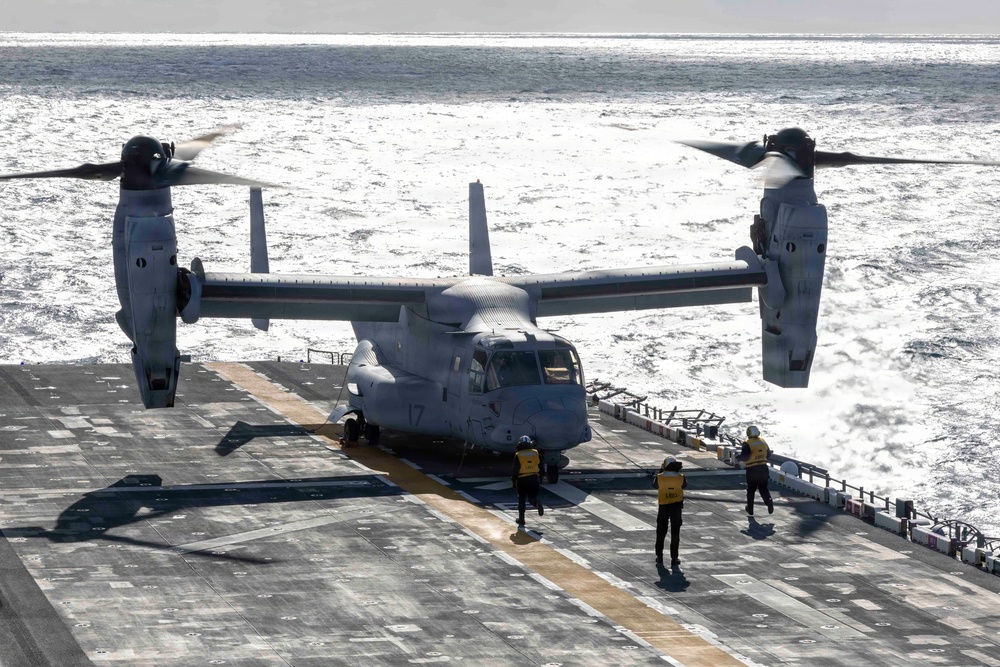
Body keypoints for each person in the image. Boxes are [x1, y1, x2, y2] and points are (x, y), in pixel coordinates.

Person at [653, 456, 687, 566]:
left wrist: (661, 470)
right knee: (675, 533)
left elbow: (655, 485)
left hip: (663, 506)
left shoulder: (660, 477)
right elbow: (684, 485)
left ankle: (659, 556)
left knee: (661, 532)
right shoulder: (681, 477)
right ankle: (674, 558)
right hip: (676, 507)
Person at [739, 425, 773, 515]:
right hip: (764, 468)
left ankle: (750, 509)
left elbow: (745, 457)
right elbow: (768, 454)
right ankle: (769, 501)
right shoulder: (763, 442)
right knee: (763, 488)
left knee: (751, 490)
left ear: (748, 433)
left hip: (752, 469)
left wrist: (738, 457)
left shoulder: (747, 443)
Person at [511, 435, 544, 526]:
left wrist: (513, 481)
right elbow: (541, 466)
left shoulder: (518, 455)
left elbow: (515, 470)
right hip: (534, 478)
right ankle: (536, 503)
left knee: (521, 499)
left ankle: (521, 519)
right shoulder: (536, 453)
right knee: (532, 498)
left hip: (522, 479)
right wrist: (541, 478)